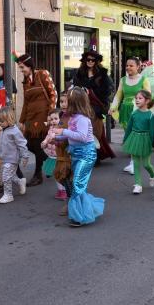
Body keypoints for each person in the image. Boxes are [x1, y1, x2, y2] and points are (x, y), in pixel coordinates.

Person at [53, 88, 105, 227]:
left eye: (67, 102)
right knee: (79, 184)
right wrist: (57, 137)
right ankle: (87, 209)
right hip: (76, 154)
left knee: (77, 184)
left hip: (86, 155)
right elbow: (70, 134)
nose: (64, 105)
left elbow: (81, 137)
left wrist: (63, 131)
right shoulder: (73, 118)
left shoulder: (82, 119)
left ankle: (78, 217)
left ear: (75, 104)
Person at [15, 53, 57, 187]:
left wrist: (51, 114)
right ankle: (48, 159)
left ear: (29, 65)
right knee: (27, 144)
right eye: (20, 68)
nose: (22, 71)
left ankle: (38, 175)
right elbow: (26, 103)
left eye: (22, 68)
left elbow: (53, 93)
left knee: (39, 144)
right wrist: (21, 121)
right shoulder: (25, 82)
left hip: (43, 117)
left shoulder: (43, 74)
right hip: (30, 119)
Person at [71, 51, 116, 162]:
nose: (90, 62)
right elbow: (75, 87)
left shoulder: (102, 74)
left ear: (97, 61)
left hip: (96, 106)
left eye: (93, 60)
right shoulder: (79, 73)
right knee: (81, 130)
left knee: (95, 131)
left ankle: (94, 155)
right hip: (82, 105)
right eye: (88, 60)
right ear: (85, 61)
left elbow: (108, 90)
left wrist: (92, 93)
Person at [109, 57, 151, 174]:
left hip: (138, 111)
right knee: (129, 137)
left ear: (138, 67)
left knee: (135, 136)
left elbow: (148, 97)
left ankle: (134, 164)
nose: (128, 67)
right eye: (127, 65)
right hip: (125, 111)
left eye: (131, 65)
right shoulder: (123, 80)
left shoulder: (144, 80)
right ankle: (133, 162)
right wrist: (113, 107)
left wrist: (143, 109)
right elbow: (118, 95)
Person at [123, 90, 154, 195]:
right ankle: (138, 185)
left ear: (147, 101)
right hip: (134, 139)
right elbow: (128, 128)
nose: (137, 100)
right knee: (136, 164)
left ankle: (153, 174)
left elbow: (152, 131)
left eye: (140, 98)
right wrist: (125, 139)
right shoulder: (134, 113)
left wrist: (153, 144)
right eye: (136, 98)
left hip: (145, 140)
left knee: (146, 164)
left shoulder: (151, 116)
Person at [0, 107, 29, 204]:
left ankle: (8, 195)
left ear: (9, 119)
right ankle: (20, 182)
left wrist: (25, 156)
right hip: (4, 158)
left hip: (12, 159)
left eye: (2, 121)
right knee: (8, 175)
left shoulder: (15, 131)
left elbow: (22, 144)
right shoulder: (2, 131)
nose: (0, 123)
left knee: (5, 177)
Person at [41, 109, 67, 201]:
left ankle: (63, 191)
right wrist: (44, 142)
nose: (53, 121)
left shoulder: (62, 129)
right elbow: (47, 138)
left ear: (60, 119)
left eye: (56, 118)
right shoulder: (51, 128)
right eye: (51, 119)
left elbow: (63, 141)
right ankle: (62, 190)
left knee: (59, 174)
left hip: (59, 156)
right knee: (56, 174)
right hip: (52, 155)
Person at [54, 91, 72, 216]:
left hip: (69, 153)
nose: (63, 104)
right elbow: (58, 130)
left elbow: (72, 134)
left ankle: (71, 202)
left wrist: (60, 137)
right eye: (61, 101)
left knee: (67, 177)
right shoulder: (61, 116)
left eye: (66, 102)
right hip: (60, 152)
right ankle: (71, 199)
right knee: (60, 176)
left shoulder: (74, 118)